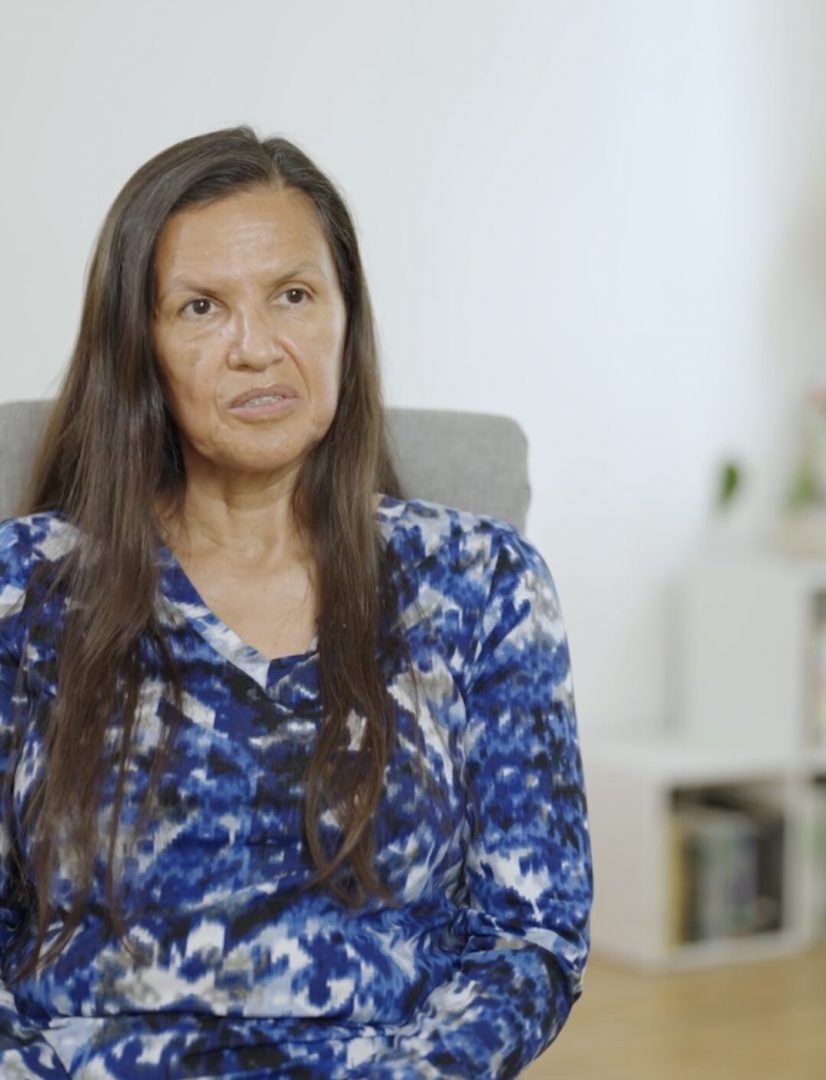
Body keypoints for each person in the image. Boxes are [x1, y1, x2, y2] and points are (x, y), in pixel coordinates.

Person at [0, 127, 591, 1078]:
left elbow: (532, 938)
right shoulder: (21, 593)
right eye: (201, 307)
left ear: (344, 320)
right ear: (139, 346)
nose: (257, 348)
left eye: (293, 296)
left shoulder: (484, 586)